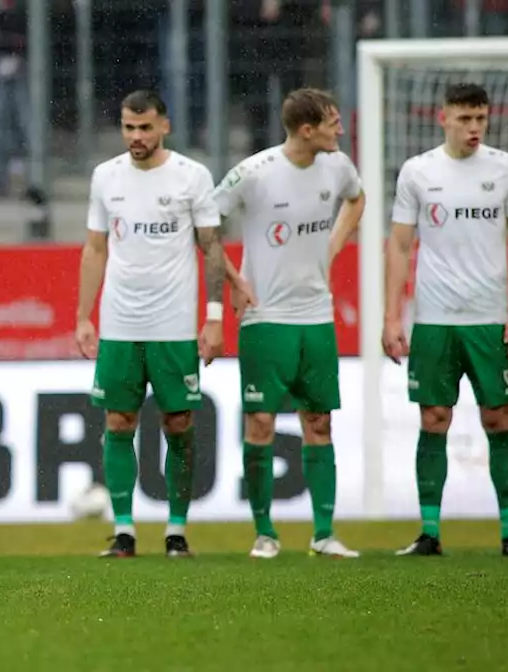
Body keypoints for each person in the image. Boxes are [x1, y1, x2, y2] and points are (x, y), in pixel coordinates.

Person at [76, 89, 234, 559]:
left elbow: (212, 248)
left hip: (174, 325)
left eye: (145, 127)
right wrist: (84, 316)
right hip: (121, 322)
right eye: (128, 127)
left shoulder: (192, 176)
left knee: (179, 421)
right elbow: (95, 248)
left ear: (164, 125)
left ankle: (176, 529)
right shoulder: (106, 177)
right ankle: (124, 531)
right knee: (119, 420)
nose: (136, 136)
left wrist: (214, 317)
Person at [384, 83, 508, 558]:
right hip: (434, 320)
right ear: (442, 117)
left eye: (481, 119)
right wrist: (392, 316)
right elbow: (401, 246)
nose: (474, 128)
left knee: (498, 418)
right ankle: (429, 532)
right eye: (465, 119)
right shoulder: (418, 172)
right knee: (434, 418)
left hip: (490, 318)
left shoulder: (506, 168)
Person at [212, 88, 365, 559]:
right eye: (332, 122)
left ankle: (324, 534)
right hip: (265, 318)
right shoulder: (254, 174)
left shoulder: (338, 167)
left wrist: (333, 246)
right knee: (260, 423)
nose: (340, 129)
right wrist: (234, 281)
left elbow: (356, 201)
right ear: (306, 130)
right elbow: (205, 226)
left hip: (316, 317)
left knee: (319, 422)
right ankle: (264, 533)